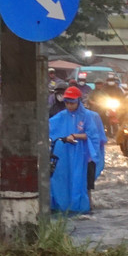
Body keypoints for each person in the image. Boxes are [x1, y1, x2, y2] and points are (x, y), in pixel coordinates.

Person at [49, 86, 106, 215]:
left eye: (72, 102)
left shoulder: (88, 116)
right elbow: (50, 129)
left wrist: (75, 136)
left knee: (85, 184)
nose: (69, 105)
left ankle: (87, 207)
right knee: (64, 180)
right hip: (67, 156)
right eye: (67, 102)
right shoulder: (61, 116)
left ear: (78, 101)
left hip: (85, 156)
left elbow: (93, 136)